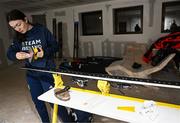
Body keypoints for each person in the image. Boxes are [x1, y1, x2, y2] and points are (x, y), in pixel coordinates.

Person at [6, 9, 92, 123]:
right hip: (31, 74)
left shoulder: (41, 30)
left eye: (19, 24)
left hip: (47, 72)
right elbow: (9, 53)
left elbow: (55, 46)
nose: (17, 29)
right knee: (38, 102)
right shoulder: (18, 38)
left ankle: (68, 121)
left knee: (55, 101)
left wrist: (44, 52)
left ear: (25, 19)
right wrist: (16, 55)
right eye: (14, 27)